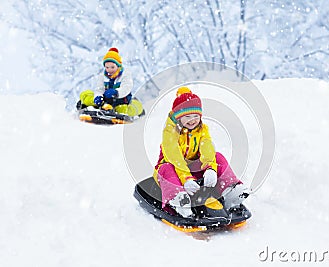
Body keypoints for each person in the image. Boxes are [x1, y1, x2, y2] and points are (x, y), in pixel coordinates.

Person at [153, 86, 249, 218]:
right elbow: (174, 157)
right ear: (178, 117)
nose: (192, 120)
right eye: (187, 116)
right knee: (166, 168)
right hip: (174, 169)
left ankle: (229, 191)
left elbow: (207, 147)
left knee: (218, 157)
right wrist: (186, 178)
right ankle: (179, 200)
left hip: (194, 169)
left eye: (195, 115)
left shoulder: (202, 129)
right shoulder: (170, 132)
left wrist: (210, 168)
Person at [78, 47, 144, 117]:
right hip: (105, 101)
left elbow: (126, 87)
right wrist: (98, 97)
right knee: (85, 95)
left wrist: (116, 92)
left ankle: (118, 111)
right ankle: (92, 107)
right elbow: (99, 89)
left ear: (118, 66)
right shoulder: (102, 76)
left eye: (112, 67)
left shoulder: (125, 74)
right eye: (107, 67)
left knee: (125, 110)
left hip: (120, 101)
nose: (109, 70)